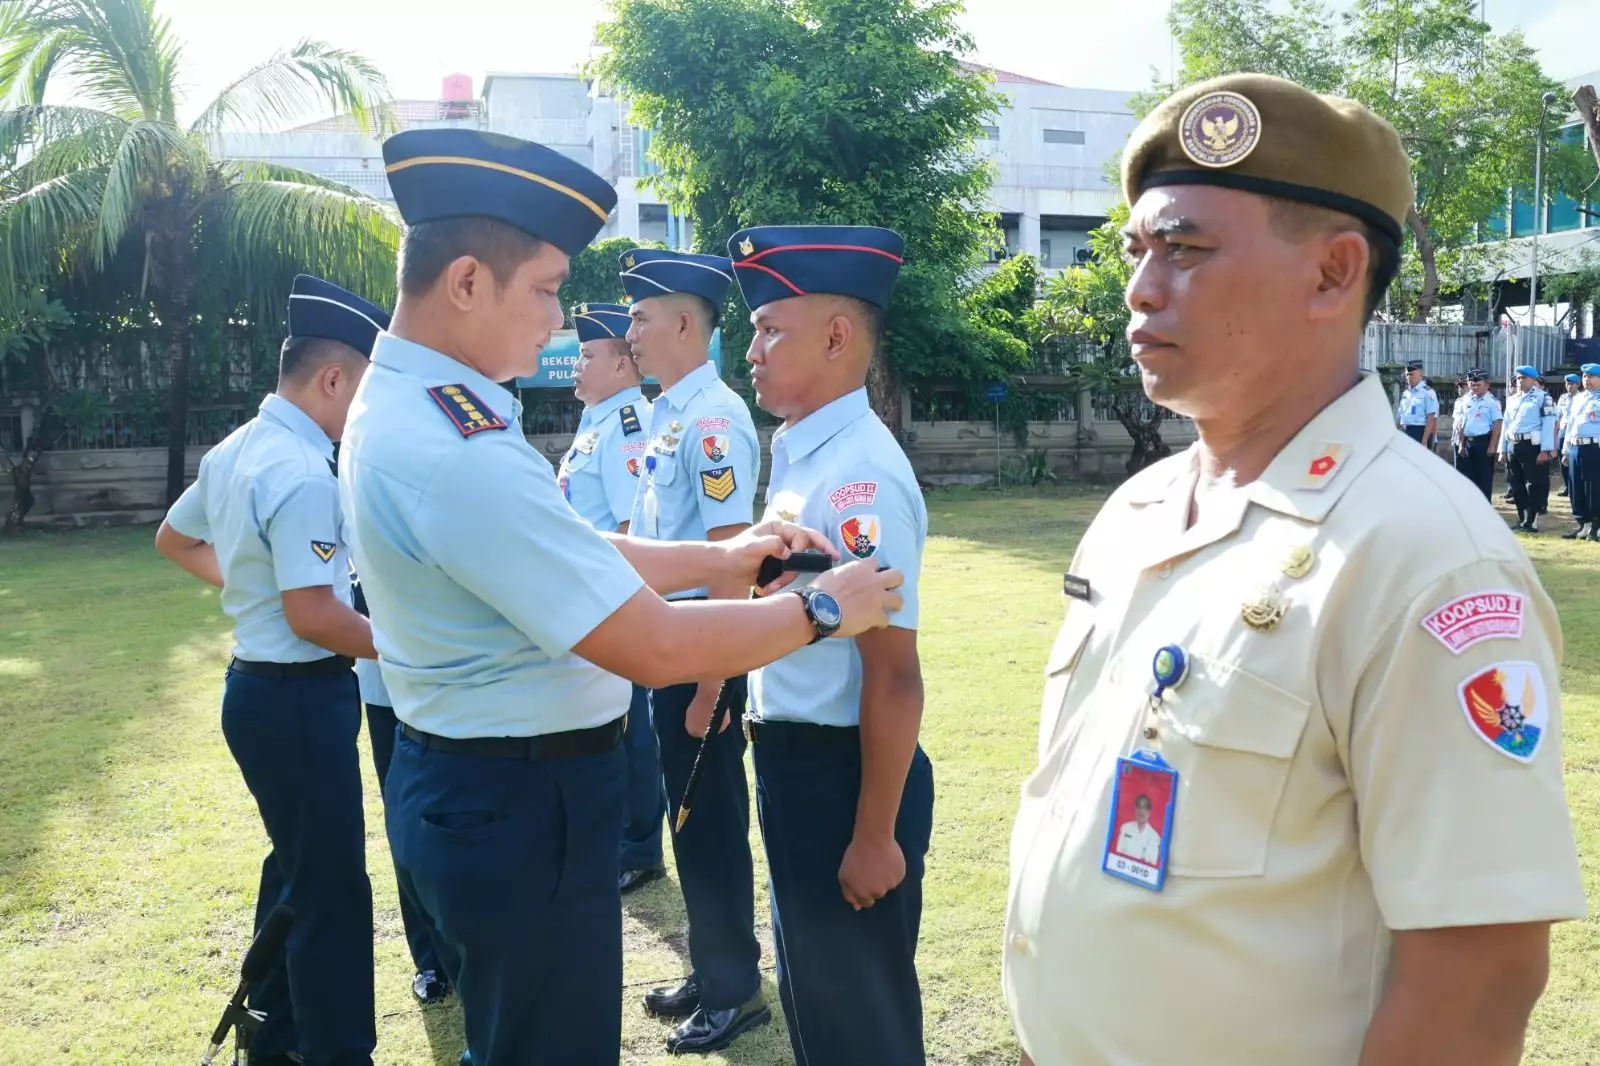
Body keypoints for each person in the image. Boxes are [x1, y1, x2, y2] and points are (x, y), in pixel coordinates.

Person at [1005, 74, 1585, 1066]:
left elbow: (1478, 969)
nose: (1141, 288)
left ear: (1332, 273)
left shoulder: (1422, 556)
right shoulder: (1137, 511)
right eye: (1136, 251)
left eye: (1184, 250)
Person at [340, 127, 902, 1066]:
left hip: (483, 790)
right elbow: (654, 649)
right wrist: (823, 606)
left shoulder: (413, 407)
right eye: (549, 290)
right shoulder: (453, 446)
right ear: (469, 281)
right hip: (516, 804)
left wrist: (719, 563)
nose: (563, 325)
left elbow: (567, 551)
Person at [155, 274, 385, 1066]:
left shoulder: (237, 450)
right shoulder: (301, 470)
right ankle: (333, 1052)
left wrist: (254, 583)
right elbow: (316, 614)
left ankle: (275, 1034)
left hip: (257, 690)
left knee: (296, 868)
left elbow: (175, 541)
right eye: (363, 391)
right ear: (332, 379)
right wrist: (418, 642)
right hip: (297, 698)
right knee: (331, 895)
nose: (363, 413)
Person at [730, 223, 934, 1066]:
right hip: (796, 763)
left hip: (845, 776)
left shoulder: (859, 479)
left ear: (838, 336)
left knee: (862, 1026)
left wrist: (874, 833)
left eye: (771, 327)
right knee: (818, 1002)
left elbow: (893, 676)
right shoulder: (805, 454)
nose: (751, 350)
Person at [621, 245, 770, 1053]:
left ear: (685, 322)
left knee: (707, 822)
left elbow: (729, 562)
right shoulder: (674, 411)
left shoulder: (712, 420)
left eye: (642, 318)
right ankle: (714, 967)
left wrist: (716, 684)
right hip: (669, 650)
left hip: (697, 657)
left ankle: (736, 992)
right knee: (689, 823)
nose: (631, 334)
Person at [560, 301, 669, 892]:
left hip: (614, 599)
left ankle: (640, 846)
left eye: (587, 355)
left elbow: (632, 527)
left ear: (624, 366)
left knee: (634, 731)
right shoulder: (600, 420)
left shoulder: (629, 428)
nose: (577, 365)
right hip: (587, 601)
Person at [351, 573, 457, 1006]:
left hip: (456, 681)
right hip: (388, 685)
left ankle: (468, 950)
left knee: (460, 813)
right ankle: (430, 958)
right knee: (405, 818)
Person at [1498, 365, 1556, 533]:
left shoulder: (1543, 398)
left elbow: (1548, 424)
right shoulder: (1512, 399)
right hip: (1513, 445)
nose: (1519, 381)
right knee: (1516, 484)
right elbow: (1506, 425)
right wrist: (1503, 449)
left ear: (1533, 380)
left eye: (1523, 378)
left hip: (1532, 445)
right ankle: (1522, 518)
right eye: (1518, 378)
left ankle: (1532, 520)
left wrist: (1545, 449)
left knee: (1533, 484)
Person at [1561, 363, 1600, 542]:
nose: (1587, 380)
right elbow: (1570, 425)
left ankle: (1596, 526)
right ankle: (1582, 524)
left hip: (1594, 447)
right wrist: (1566, 450)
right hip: (1575, 446)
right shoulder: (1578, 398)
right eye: (1584, 376)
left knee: (1593, 487)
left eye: (1591, 376)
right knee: (1576, 486)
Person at [1453, 369, 1503, 502]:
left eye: (1478, 385)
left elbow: (1497, 424)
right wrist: (1461, 444)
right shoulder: (1468, 400)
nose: (1474, 387)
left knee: (1484, 479)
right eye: (1472, 385)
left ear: (1487, 385)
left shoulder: (1492, 402)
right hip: (1469, 443)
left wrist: (1492, 445)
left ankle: (1485, 508)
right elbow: (1464, 424)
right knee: (1469, 478)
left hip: (1483, 443)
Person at [1395, 360, 1437, 447]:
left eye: (1411, 374)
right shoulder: (1406, 393)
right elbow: (1400, 415)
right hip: (1404, 431)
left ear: (1420, 373)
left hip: (1418, 432)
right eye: (1407, 375)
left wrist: (1425, 440)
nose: (1409, 377)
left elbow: (1431, 417)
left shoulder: (1428, 392)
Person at [1114, 796, 1161, 865]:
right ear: (1135, 809)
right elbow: (1119, 852)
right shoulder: (1126, 828)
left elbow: (1151, 864)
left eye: (1145, 808)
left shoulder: (1155, 837)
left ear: (1149, 812)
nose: (1142, 811)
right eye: (1139, 807)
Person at [1555, 373, 1581, 498]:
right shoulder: (1563, 398)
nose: (1568, 386)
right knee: (1563, 460)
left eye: (1571, 384)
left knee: (1574, 460)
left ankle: (1574, 486)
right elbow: (1559, 416)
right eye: (1567, 383)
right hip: (1563, 431)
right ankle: (1567, 485)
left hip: (1576, 433)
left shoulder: (1582, 398)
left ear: (1578, 385)